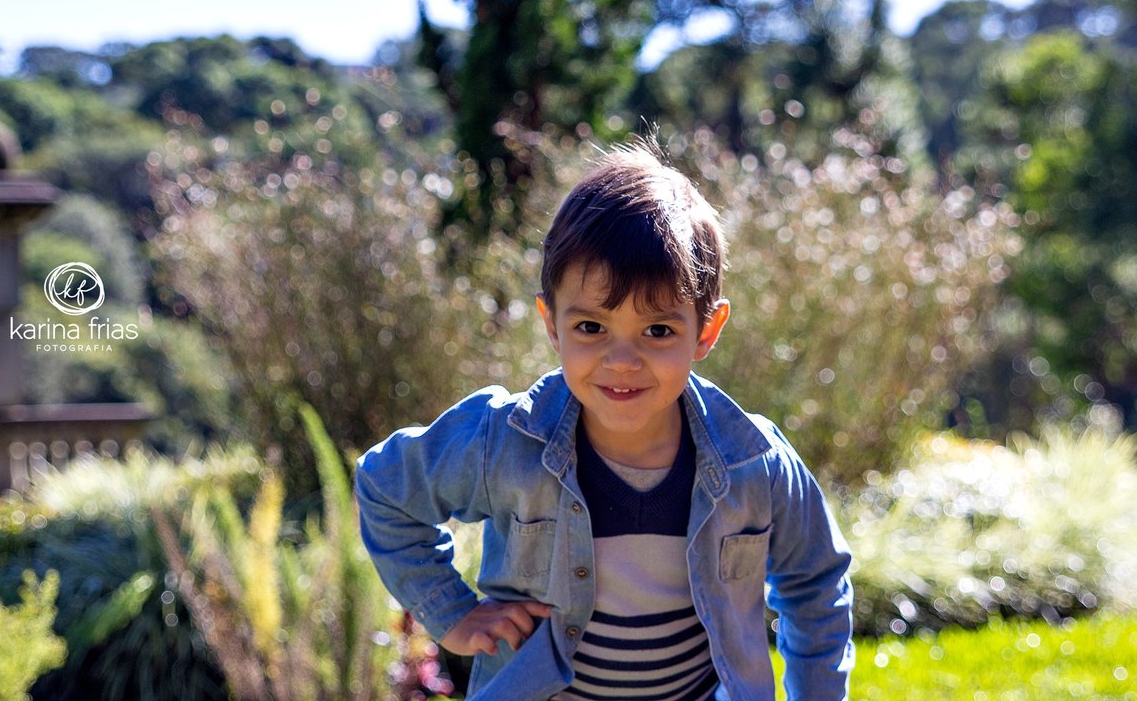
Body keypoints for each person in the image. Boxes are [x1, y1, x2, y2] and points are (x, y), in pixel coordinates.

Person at [355, 137, 854, 700]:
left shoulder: (753, 462)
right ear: (551, 323)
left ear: (706, 332)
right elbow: (385, 486)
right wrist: (452, 615)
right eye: (591, 327)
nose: (622, 361)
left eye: (658, 330)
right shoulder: (506, 440)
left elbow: (817, 583)